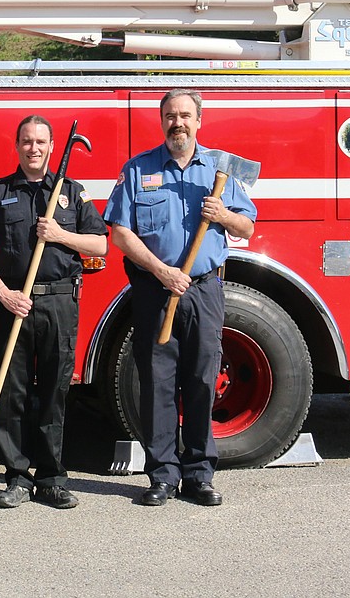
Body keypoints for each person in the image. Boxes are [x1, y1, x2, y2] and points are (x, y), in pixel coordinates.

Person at [104, 89, 256, 507]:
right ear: (161, 121)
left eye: (185, 115)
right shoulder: (138, 169)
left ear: (199, 120)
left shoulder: (220, 169)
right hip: (156, 289)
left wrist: (222, 215)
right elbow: (119, 232)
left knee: (202, 379)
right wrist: (162, 271)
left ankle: (199, 475)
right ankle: (162, 476)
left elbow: (246, 228)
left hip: (205, 288)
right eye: (170, 115)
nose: (178, 123)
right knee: (157, 383)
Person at [0, 116, 108, 510]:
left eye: (41, 141)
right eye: (27, 141)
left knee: (55, 394)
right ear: (17, 145)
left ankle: (53, 478)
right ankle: (17, 478)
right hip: (14, 304)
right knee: (12, 395)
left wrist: (59, 235)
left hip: (59, 302)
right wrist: (3, 293)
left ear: (53, 145)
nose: (34, 148)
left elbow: (100, 245)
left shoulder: (73, 193)